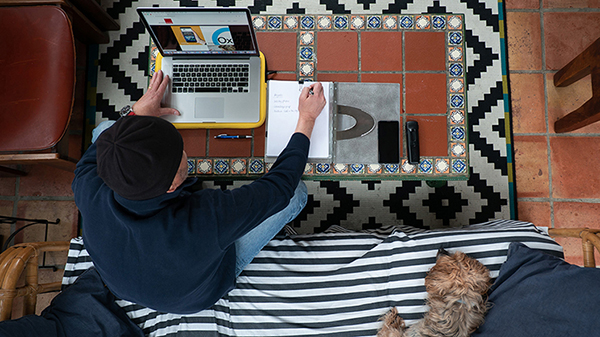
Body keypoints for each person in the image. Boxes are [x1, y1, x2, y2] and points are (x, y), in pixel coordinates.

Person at [72, 70, 326, 314]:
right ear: (172, 186)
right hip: (192, 293)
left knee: (105, 131)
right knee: (295, 195)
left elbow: (100, 150)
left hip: (124, 280)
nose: (185, 153)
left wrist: (137, 114)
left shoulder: (86, 185)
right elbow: (280, 187)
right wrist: (307, 119)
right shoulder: (206, 218)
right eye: (181, 157)